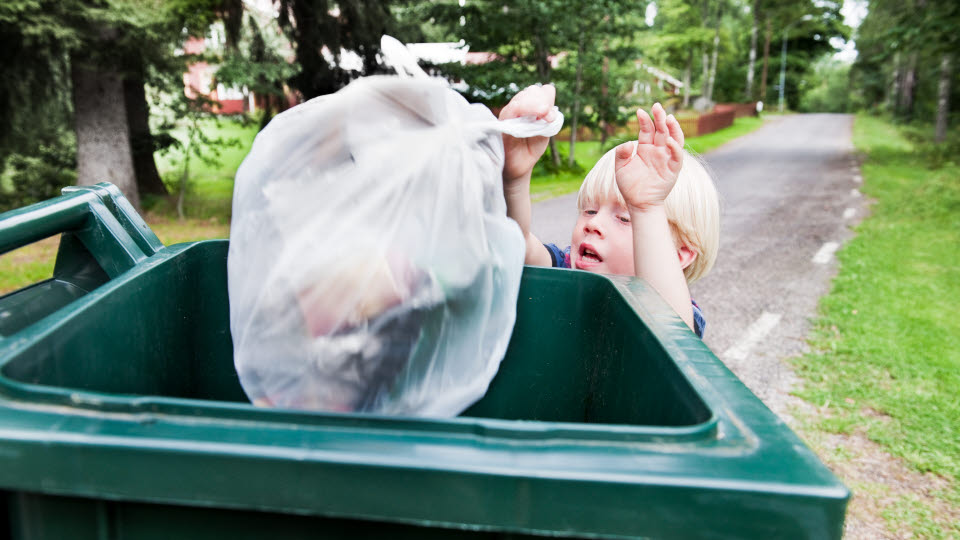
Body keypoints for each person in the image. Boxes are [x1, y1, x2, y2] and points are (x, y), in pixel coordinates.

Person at [499, 84, 719, 337]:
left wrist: (646, 209)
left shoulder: (674, 310)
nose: (593, 225)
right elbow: (517, 243)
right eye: (590, 211)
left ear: (679, 255)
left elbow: (672, 335)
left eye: (624, 218)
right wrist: (514, 180)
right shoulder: (566, 268)